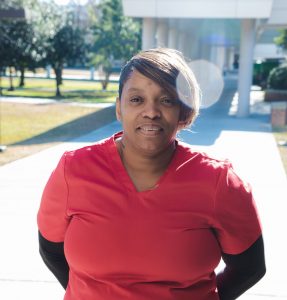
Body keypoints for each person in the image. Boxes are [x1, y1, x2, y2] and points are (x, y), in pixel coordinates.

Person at [37, 48, 265, 300]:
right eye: (136, 99)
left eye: (166, 100)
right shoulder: (74, 170)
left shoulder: (219, 182)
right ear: (119, 109)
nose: (151, 111)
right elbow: (50, 250)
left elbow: (250, 268)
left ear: (184, 112)